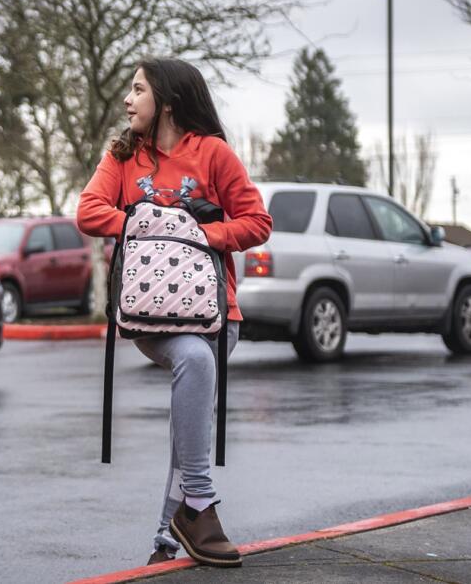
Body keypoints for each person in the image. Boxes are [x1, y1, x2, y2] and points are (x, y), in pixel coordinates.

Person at [77, 57, 271, 569]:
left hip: (214, 312)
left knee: (188, 426)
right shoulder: (122, 156)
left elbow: (257, 222)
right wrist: (153, 223)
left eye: (137, 89)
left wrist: (203, 233)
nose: (127, 99)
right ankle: (201, 503)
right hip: (150, 313)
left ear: (166, 99)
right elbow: (89, 211)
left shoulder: (213, 154)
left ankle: (168, 536)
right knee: (193, 364)